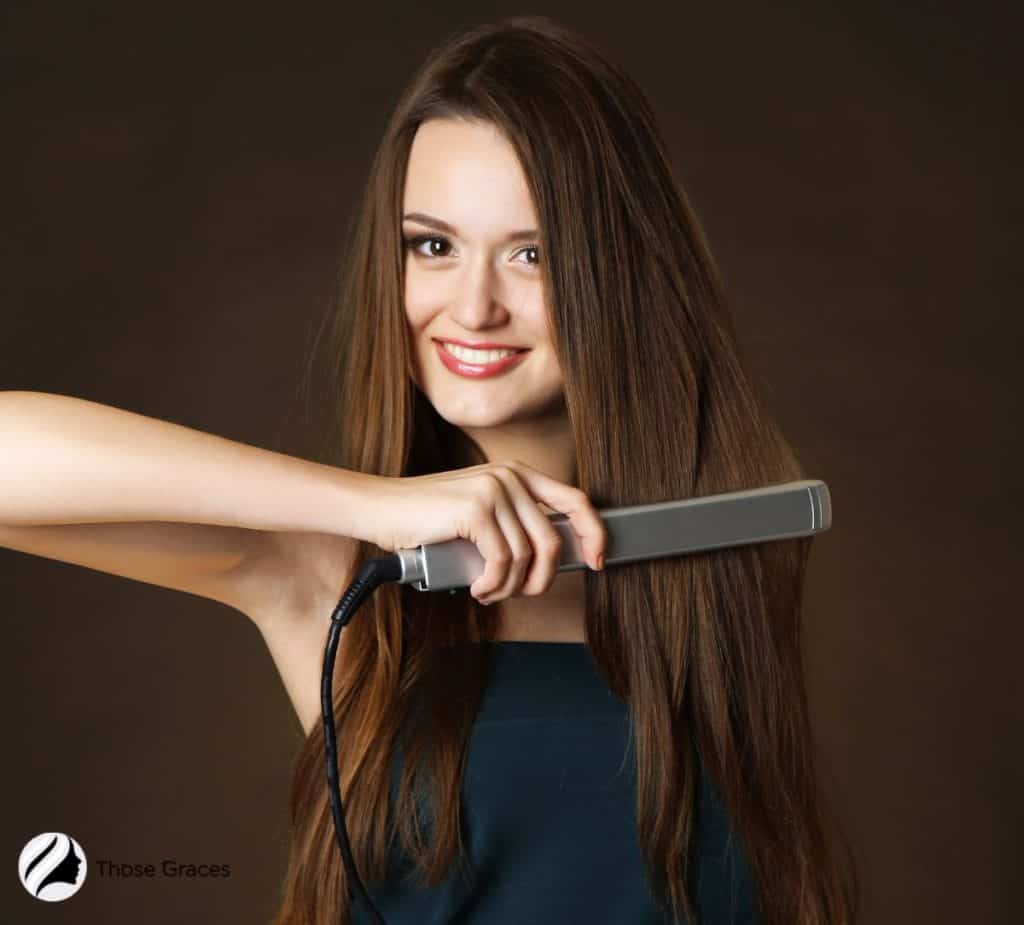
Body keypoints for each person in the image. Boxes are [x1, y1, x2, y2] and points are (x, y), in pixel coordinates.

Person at [0, 14, 859, 925]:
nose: (473, 306)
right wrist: (372, 505)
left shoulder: (713, 574)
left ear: (620, 269)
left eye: (533, 253)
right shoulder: (336, 576)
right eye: (432, 246)